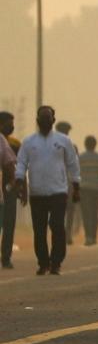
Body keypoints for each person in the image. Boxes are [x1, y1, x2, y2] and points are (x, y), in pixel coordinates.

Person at [14, 105, 81, 275]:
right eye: (42, 119)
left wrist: (76, 186)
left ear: (53, 120)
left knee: (58, 226)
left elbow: (73, 164)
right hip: (37, 192)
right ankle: (43, 263)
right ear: (37, 121)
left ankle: (56, 262)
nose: (45, 121)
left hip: (58, 191)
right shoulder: (29, 142)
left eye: (48, 118)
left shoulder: (63, 141)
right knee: (39, 229)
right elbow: (21, 163)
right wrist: (20, 182)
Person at [1, 111, 21, 269]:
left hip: (9, 187)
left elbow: (20, 166)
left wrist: (21, 186)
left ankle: (6, 256)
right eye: (9, 123)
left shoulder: (15, 143)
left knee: (9, 223)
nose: (12, 127)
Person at [54, 121, 80, 244]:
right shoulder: (73, 147)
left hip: (54, 181)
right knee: (69, 210)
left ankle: (61, 235)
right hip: (68, 182)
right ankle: (67, 235)